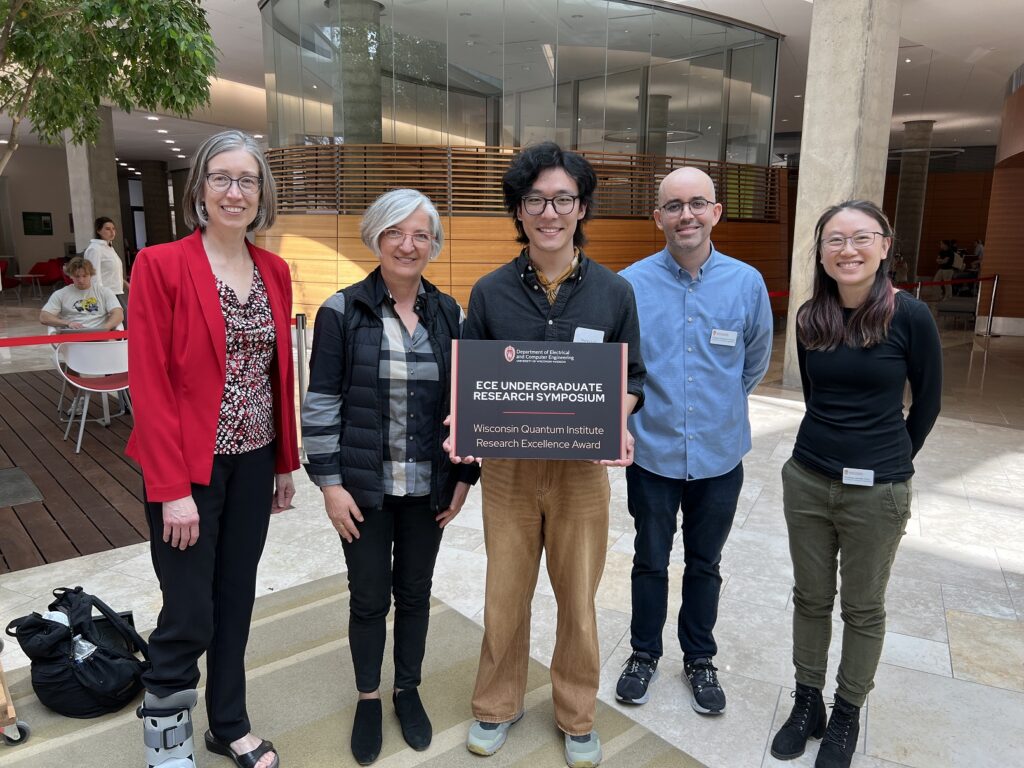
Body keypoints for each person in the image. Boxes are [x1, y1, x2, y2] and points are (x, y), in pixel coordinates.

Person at [453, 142, 645, 768]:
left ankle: (576, 712)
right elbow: (471, 381)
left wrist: (620, 416)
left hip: (582, 473)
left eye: (563, 199)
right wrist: (464, 419)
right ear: (519, 210)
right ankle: (495, 704)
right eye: (534, 200)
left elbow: (634, 379)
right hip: (507, 472)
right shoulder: (490, 292)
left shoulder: (614, 293)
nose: (549, 212)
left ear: (581, 207)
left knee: (578, 599)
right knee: (505, 593)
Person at [126, 130, 299, 768]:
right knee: (191, 608)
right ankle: (167, 740)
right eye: (221, 178)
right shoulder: (161, 265)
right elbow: (148, 381)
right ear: (199, 187)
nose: (234, 191)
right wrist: (171, 490)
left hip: (254, 462)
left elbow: (280, 373)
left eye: (246, 180)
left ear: (262, 192)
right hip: (186, 469)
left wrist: (284, 462)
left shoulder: (274, 270)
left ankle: (229, 724)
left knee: (236, 597)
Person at [301, 189, 476, 765]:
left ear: (433, 245)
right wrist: (329, 485)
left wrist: (465, 478)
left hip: (428, 487)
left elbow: (469, 404)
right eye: (396, 232)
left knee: (417, 595)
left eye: (421, 234)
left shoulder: (450, 314)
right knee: (369, 598)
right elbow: (322, 405)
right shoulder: (341, 311)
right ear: (376, 237)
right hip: (363, 490)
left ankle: (408, 689)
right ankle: (369, 696)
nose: (408, 244)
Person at [770, 201, 941, 768]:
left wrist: (890, 459)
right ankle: (806, 702)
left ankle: (846, 713)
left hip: (878, 490)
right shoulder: (808, 317)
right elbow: (817, 399)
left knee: (863, 608)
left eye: (861, 238)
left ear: (885, 246)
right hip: (808, 478)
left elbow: (929, 402)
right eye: (834, 240)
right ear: (820, 253)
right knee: (810, 598)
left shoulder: (909, 315)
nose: (848, 250)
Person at [614, 168, 772, 714]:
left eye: (697, 204)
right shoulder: (629, 284)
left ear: (715, 212)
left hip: (719, 455)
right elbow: (623, 367)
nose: (687, 215)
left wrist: (713, 409)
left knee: (705, 564)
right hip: (652, 454)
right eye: (674, 206)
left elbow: (752, 365)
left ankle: (700, 659)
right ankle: (643, 654)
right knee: (650, 561)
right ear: (657, 217)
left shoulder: (746, 283)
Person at [40, 256, 123, 331]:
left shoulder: (104, 292)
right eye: (77, 276)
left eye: (85, 276)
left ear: (91, 275)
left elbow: (118, 314)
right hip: (73, 335)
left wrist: (106, 327)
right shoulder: (60, 294)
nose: (81, 280)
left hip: (100, 333)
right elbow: (44, 317)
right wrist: (67, 323)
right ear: (70, 275)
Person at [84, 216, 129, 317]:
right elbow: (93, 275)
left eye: (113, 229)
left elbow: (112, 271)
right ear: (98, 230)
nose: (112, 232)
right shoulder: (95, 249)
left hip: (116, 292)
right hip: (105, 294)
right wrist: (100, 297)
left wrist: (125, 284)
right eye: (107, 229)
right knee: (123, 321)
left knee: (124, 321)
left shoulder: (109, 247)